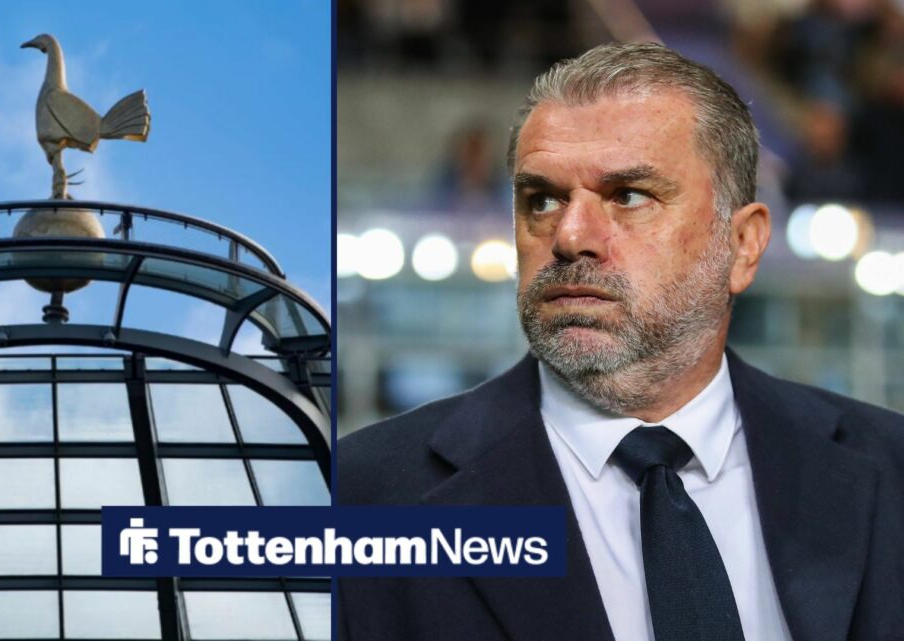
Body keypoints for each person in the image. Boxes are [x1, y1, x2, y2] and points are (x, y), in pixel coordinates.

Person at [337, 42, 904, 641]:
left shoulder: (889, 472)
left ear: (743, 245)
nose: (569, 235)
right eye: (543, 200)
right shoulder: (364, 499)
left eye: (629, 196)